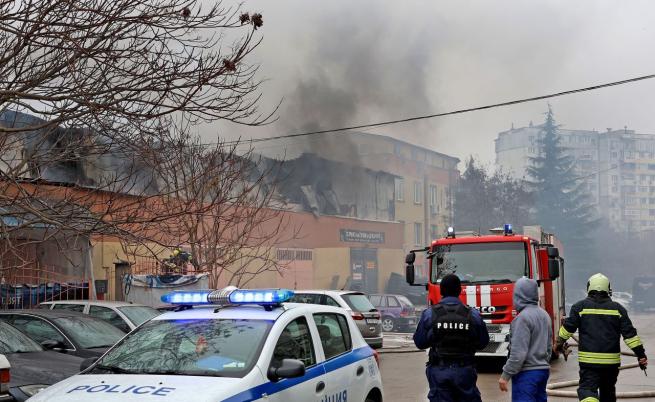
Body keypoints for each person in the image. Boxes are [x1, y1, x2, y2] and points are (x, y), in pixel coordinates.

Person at [555, 273, 648, 402]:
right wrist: (641, 355)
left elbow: (567, 330)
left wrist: (558, 344)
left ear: (589, 288)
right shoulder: (618, 309)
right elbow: (630, 336)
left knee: (587, 390)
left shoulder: (579, 307)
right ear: (608, 289)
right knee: (608, 393)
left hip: (589, 363)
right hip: (611, 364)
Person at [413, 274, 490, 402]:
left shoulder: (430, 314)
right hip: (464, 371)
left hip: (439, 372)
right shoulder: (472, 314)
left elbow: (420, 343)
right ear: (459, 291)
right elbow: (483, 342)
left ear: (441, 290)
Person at [498, 277, 552, 402]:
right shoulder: (545, 315)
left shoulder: (522, 319)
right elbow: (549, 347)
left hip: (526, 375)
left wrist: (505, 376)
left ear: (519, 296)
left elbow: (518, 354)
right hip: (543, 371)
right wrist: (542, 363)